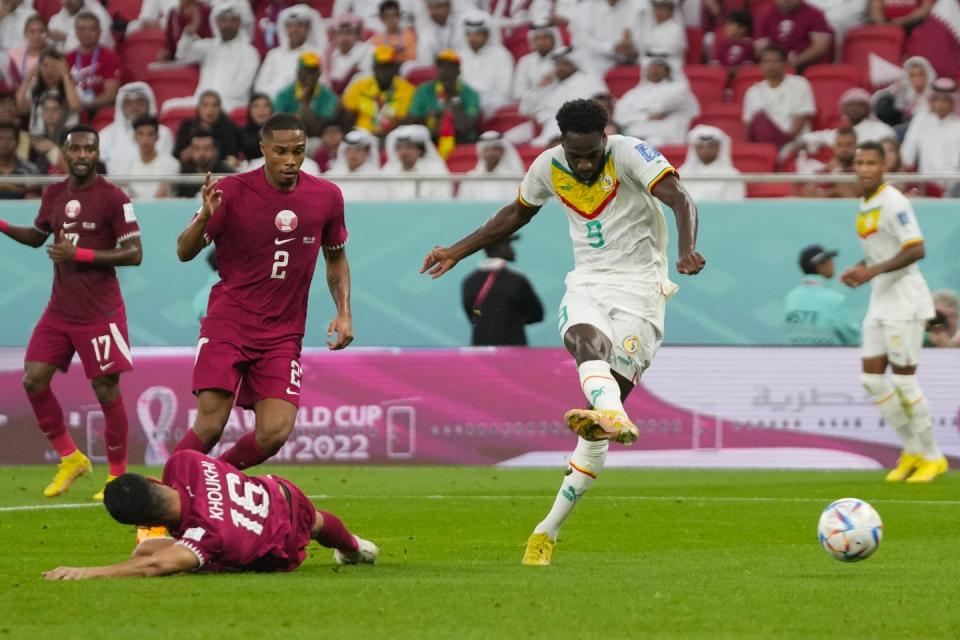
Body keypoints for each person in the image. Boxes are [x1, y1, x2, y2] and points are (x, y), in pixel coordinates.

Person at [420, 99, 705, 565]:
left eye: (592, 153)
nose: (586, 164)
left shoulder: (631, 152)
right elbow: (514, 214)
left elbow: (679, 196)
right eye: (577, 156)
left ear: (604, 138)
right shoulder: (549, 166)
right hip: (588, 281)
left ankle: (546, 529)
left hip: (641, 291)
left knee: (592, 437)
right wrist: (457, 250)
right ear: (562, 144)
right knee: (581, 339)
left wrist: (688, 249)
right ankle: (613, 413)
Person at [171, 113, 353, 471]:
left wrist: (344, 311)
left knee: (273, 433)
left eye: (298, 152)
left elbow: (336, 258)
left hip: (282, 334)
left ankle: (214, 482)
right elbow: (183, 251)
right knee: (209, 425)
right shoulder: (232, 191)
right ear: (263, 149)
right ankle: (160, 505)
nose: (289, 160)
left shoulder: (327, 197)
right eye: (280, 151)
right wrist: (204, 218)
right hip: (229, 324)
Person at [0, 124, 142, 499]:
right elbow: (36, 236)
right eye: (75, 149)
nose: (82, 156)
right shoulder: (54, 194)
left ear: (97, 153)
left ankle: (117, 476)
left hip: (101, 312)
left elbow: (134, 253)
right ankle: (71, 458)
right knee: (33, 379)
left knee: (105, 387)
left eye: (88, 149)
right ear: (65, 153)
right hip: (60, 310)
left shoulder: (114, 198)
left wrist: (79, 255)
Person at [42, 450, 378, 579]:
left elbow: (155, 566)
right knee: (316, 521)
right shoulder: (184, 461)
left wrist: (88, 572)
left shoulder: (205, 536)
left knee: (168, 559)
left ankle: (351, 548)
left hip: (281, 544)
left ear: (146, 524)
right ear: (153, 480)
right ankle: (352, 547)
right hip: (280, 493)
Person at [839, 140, 944, 483]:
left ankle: (933, 456)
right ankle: (911, 449)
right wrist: (861, 268)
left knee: (903, 380)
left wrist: (871, 271)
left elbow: (916, 248)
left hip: (905, 300)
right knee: (870, 379)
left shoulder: (894, 201)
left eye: (872, 162)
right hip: (880, 299)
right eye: (860, 162)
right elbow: (879, 252)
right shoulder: (864, 201)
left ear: (885, 166)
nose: (865, 168)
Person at [175, 0, 261, 111]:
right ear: (216, 22)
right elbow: (183, 56)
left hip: (232, 104)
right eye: (223, 20)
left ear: (240, 22)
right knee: (169, 107)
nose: (227, 25)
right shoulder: (209, 46)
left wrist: (212, 104)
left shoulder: (249, 52)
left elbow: (241, 89)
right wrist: (190, 32)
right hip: (202, 102)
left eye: (233, 20)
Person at [461, 236, 544, 345]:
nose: (512, 249)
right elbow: (537, 314)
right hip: (513, 351)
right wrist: (515, 321)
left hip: (481, 351)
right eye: (508, 244)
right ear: (496, 248)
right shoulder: (517, 281)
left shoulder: (469, 282)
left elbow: (472, 316)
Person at [519, 47, 608, 146]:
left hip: (578, 127)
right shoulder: (550, 83)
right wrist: (539, 87)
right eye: (558, 64)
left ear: (575, 65)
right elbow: (525, 110)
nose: (560, 67)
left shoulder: (589, 80)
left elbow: (604, 104)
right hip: (546, 127)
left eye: (565, 64)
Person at [613, 54, 699, 146]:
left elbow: (660, 107)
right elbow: (619, 115)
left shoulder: (678, 89)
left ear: (667, 71)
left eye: (659, 66)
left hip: (666, 139)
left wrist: (639, 112)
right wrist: (646, 116)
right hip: (636, 137)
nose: (655, 70)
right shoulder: (634, 93)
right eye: (652, 66)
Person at [784, 244, 861, 345]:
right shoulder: (834, 299)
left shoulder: (791, 297)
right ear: (820, 266)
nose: (833, 263)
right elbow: (855, 338)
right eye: (829, 259)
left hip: (796, 360)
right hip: (830, 359)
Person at [407, 49, 480, 154]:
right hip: (429, 142)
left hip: (461, 141)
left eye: (450, 67)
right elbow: (412, 121)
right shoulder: (424, 90)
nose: (445, 71)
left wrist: (455, 98)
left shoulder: (470, 94)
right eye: (441, 66)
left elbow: (464, 127)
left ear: (458, 70)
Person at [742, 46, 815, 147]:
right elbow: (749, 125)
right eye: (766, 61)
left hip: (794, 142)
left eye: (776, 61)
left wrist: (784, 142)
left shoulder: (799, 83)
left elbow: (801, 117)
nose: (771, 65)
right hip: (765, 146)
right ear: (760, 65)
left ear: (784, 63)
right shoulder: (753, 91)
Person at [900, 77, 960, 196]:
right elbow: (907, 157)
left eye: (945, 100)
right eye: (936, 100)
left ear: (953, 102)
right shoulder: (920, 120)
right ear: (931, 101)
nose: (940, 104)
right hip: (927, 186)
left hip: (956, 187)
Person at [253, 4, 326, 101]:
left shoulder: (317, 54)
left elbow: (320, 86)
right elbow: (260, 86)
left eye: (300, 25)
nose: (294, 30)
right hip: (271, 106)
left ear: (308, 28)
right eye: (290, 26)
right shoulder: (274, 54)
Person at [100, 82, 175, 175]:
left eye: (140, 102)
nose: (134, 107)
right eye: (128, 103)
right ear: (121, 106)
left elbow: (164, 166)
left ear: (149, 104)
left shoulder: (163, 133)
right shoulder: (106, 135)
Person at [341, 45, 415, 137]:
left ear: (396, 68)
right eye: (380, 67)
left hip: (392, 137)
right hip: (362, 137)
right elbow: (347, 118)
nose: (384, 71)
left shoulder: (407, 90)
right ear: (373, 68)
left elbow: (405, 123)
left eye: (388, 66)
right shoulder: (359, 86)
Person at [457, 11, 514, 115]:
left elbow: (504, 91)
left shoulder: (501, 55)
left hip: (493, 105)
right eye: (469, 34)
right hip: (465, 104)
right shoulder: (460, 55)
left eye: (478, 34)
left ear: (487, 35)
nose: (472, 38)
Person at [65, 11, 120, 116]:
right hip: (73, 111)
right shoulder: (67, 58)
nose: (87, 33)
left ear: (99, 32)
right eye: (82, 29)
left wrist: (83, 106)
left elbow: (110, 95)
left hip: (100, 111)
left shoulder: (110, 56)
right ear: (76, 32)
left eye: (92, 29)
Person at [16, 48, 81, 135]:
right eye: (45, 66)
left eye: (54, 66)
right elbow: (19, 108)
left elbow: (75, 106)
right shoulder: (35, 88)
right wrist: (27, 79)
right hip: (37, 140)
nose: (49, 71)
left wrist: (66, 76)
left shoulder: (73, 88)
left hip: (64, 139)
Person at [274, 52, 339, 138]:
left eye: (313, 70)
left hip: (317, 139)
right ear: (298, 72)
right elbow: (276, 123)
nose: (310, 74)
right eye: (306, 70)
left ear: (319, 73)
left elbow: (321, 128)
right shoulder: (284, 94)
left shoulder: (329, 96)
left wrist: (305, 106)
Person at [754, 0, 832, 71]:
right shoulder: (764, 15)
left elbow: (820, 46)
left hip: (806, 67)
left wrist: (798, 60)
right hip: (774, 68)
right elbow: (761, 47)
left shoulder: (815, 14)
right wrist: (776, 61)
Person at [568, 0, 642, 75]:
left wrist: (633, 50)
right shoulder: (585, 7)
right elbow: (582, 41)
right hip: (591, 59)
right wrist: (612, 48)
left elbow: (639, 41)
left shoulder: (635, 6)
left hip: (623, 60)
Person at [381, 123, 453, 198]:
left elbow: (443, 199)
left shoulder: (436, 170)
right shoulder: (388, 170)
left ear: (420, 150)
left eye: (409, 147)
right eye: (399, 147)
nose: (404, 152)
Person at [678, 124, 745, 201]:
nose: (705, 151)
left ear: (719, 148)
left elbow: (735, 207)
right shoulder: (681, 174)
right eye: (701, 147)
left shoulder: (733, 175)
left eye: (711, 146)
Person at [173, 90, 240, 165]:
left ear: (220, 108)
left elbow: (232, 156)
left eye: (214, 105)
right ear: (199, 108)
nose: (210, 109)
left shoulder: (228, 128)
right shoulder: (187, 126)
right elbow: (177, 155)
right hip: (191, 169)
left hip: (219, 170)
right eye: (205, 105)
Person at [122, 115, 180, 199]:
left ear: (157, 137)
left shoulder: (171, 163)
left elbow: (160, 196)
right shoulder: (125, 165)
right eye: (140, 134)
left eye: (150, 134)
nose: (145, 139)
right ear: (134, 137)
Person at [458, 130, 525, 201]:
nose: (491, 153)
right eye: (487, 150)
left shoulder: (512, 177)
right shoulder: (471, 177)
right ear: (481, 152)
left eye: (495, 149)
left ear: (502, 151)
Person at [873, 56, 935, 127]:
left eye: (921, 74)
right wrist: (891, 93)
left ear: (928, 75)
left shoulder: (933, 95)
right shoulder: (905, 91)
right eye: (913, 75)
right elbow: (877, 102)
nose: (917, 78)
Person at [799, 127, 859, 198]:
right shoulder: (825, 171)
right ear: (834, 147)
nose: (844, 149)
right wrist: (833, 192)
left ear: (856, 146)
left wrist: (836, 172)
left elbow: (851, 197)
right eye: (840, 145)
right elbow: (807, 195)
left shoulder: (861, 170)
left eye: (849, 144)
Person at [174, 128, 235, 198]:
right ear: (191, 151)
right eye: (196, 148)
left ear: (215, 151)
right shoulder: (185, 175)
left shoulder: (226, 173)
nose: (201, 153)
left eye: (206, 148)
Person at [327, 127, 384, 200]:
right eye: (349, 150)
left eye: (358, 150)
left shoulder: (377, 178)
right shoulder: (331, 176)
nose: (353, 155)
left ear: (367, 153)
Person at [511, 18, 560, 101]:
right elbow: (518, 93)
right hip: (531, 106)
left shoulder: (563, 60)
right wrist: (539, 88)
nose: (541, 42)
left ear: (554, 39)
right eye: (537, 38)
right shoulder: (525, 61)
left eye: (545, 38)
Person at [327, 14, 373, 95]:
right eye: (340, 33)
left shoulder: (368, 51)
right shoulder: (327, 56)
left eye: (349, 32)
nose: (344, 38)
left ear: (357, 35)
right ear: (334, 36)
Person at [48, 0, 113, 53]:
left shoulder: (99, 15)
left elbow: (98, 46)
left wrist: (66, 38)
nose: (67, 1)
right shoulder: (60, 15)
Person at [28, 91, 68, 173]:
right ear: (42, 112)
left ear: (62, 112)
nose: (50, 113)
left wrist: (52, 148)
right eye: (46, 109)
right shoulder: (38, 138)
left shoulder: (69, 135)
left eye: (55, 109)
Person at [416, 0, 465, 65]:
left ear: (449, 7)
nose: (434, 12)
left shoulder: (461, 26)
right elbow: (425, 63)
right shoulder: (425, 33)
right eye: (431, 7)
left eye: (438, 7)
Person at [0, 121, 39, 199]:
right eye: (1, 138)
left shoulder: (30, 170)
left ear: (18, 142)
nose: (5, 143)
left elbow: (32, 201)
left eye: (10, 139)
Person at [6, 13, 46, 86]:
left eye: (41, 31)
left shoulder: (52, 56)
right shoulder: (15, 54)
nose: (37, 35)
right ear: (25, 34)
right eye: (32, 32)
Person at [238, 93, 273, 162]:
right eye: (256, 106)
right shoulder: (240, 133)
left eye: (266, 106)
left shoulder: (280, 132)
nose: (261, 110)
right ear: (249, 110)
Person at [869, 0, 933, 30]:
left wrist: (906, 19)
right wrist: (883, 25)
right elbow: (875, 8)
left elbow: (926, 7)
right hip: (887, 26)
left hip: (915, 25)